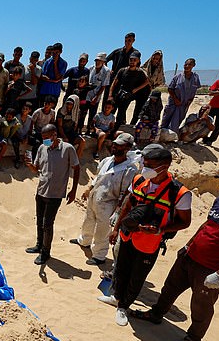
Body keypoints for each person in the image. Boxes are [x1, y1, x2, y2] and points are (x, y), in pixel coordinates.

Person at [131, 165, 219, 341]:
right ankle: (156, 314)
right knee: (169, 288)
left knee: (201, 305)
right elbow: (207, 225)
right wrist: (188, 246)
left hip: (212, 269)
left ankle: (193, 338)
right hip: (190, 256)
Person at [105, 148, 192, 326]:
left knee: (137, 275)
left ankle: (124, 307)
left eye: (150, 166)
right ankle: (116, 297)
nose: (145, 168)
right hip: (128, 234)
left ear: (164, 167)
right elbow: (128, 205)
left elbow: (185, 222)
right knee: (121, 268)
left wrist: (160, 230)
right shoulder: (139, 180)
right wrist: (116, 228)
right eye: (144, 164)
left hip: (149, 242)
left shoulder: (180, 193)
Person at [71, 133, 138, 265]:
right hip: (95, 197)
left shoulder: (130, 169)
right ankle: (84, 241)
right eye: (114, 144)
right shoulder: (107, 160)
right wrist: (89, 189)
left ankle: (99, 255)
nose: (115, 147)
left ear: (127, 148)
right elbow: (98, 176)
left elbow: (125, 193)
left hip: (109, 203)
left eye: (119, 146)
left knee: (103, 229)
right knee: (88, 220)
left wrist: (118, 210)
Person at [25, 124, 80, 265]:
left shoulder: (68, 149)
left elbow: (76, 168)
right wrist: (30, 166)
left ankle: (45, 252)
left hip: (55, 194)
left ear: (55, 135)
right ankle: (39, 245)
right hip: (41, 190)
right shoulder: (42, 148)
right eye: (43, 138)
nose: (44, 141)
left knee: (48, 223)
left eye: (46, 137)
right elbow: (36, 169)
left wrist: (73, 190)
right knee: (39, 221)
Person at [108, 51, 149, 128]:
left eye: (134, 60)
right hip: (121, 94)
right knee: (114, 112)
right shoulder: (122, 70)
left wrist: (136, 89)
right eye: (131, 60)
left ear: (138, 61)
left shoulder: (140, 72)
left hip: (131, 94)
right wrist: (110, 95)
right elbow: (114, 83)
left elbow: (147, 82)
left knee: (125, 113)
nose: (132, 62)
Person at [161, 58, 201, 132]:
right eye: (186, 64)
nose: (187, 66)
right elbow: (170, 89)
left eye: (189, 64)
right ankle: (162, 134)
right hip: (174, 102)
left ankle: (172, 136)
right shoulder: (178, 77)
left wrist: (190, 101)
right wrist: (175, 99)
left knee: (177, 120)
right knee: (167, 118)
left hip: (184, 104)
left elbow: (194, 90)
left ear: (193, 66)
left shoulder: (195, 78)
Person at [105, 32, 138, 105]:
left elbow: (137, 67)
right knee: (106, 102)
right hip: (112, 80)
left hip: (124, 83)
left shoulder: (135, 53)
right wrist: (108, 70)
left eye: (129, 40)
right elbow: (105, 60)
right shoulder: (117, 52)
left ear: (133, 41)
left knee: (117, 103)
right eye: (126, 40)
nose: (127, 42)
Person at [81, 52, 111, 132]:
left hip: (96, 96)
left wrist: (96, 97)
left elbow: (103, 86)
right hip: (87, 95)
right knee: (83, 113)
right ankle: (80, 129)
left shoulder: (106, 71)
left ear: (103, 62)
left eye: (99, 61)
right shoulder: (91, 68)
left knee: (92, 114)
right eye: (96, 60)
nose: (97, 62)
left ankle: (88, 130)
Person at [57, 95, 85, 159]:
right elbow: (59, 126)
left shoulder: (77, 112)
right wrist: (64, 137)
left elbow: (75, 125)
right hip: (61, 133)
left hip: (70, 132)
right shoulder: (61, 111)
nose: (68, 106)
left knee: (82, 141)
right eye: (67, 104)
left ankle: (76, 160)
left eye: (71, 104)